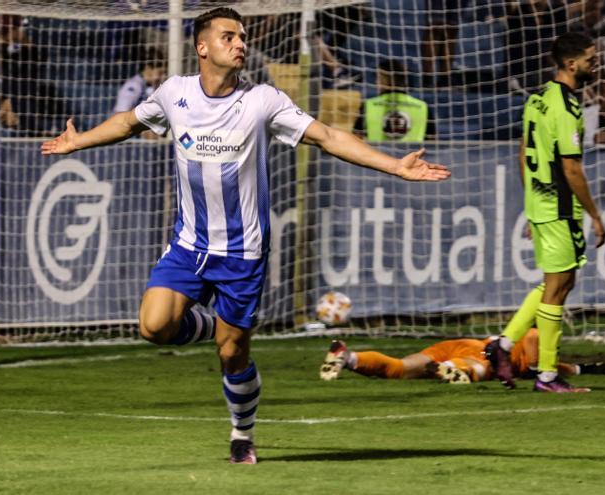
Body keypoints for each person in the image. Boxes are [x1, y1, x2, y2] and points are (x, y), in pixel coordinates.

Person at [40, 7, 450, 465]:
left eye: (242, 36)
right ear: (202, 47)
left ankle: (242, 432)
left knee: (233, 355)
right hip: (189, 245)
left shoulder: (263, 101)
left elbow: (329, 136)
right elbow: (128, 122)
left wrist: (395, 165)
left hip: (242, 254)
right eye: (229, 36)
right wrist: (78, 141)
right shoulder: (175, 93)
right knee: (153, 326)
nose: (240, 43)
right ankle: (217, 326)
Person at [485, 32, 605, 394]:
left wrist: (532, 204)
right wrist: (595, 215)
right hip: (559, 205)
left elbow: (523, 151)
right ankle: (547, 376)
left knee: (557, 283)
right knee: (558, 288)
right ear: (571, 64)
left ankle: (503, 345)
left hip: (541, 203)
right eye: (590, 57)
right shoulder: (567, 107)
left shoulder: (536, 98)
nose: (595, 62)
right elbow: (571, 168)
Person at [318, 329, 605, 384]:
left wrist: (588, 369)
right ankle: (452, 370)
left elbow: (558, 367)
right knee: (478, 370)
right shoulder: (535, 335)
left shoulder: (545, 350)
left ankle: (350, 357)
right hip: (481, 355)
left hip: (462, 344)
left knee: (403, 367)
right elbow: (536, 368)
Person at [356, 59, 434, 142]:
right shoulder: (422, 106)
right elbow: (432, 141)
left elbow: (356, 136)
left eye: (378, 78)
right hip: (414, 153)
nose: (376, 82)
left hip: (378, 153)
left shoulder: (369, 105)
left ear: (385, 80)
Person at [112, 47, 167, 114]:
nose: (162, 76)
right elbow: (120, 114)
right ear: (148, 68)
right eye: (160, 73)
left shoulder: (154, 87)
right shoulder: (133, 86)